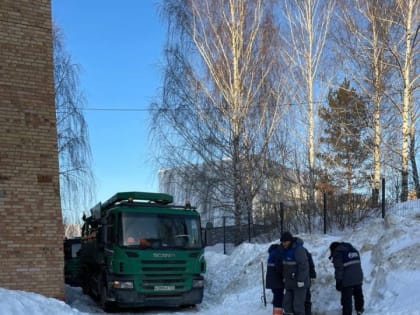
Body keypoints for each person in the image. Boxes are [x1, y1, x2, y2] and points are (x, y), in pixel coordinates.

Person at [329, 242, 365, 315]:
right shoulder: (354, 250)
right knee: (358, 293)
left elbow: (339, 269)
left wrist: (338, 281)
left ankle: (347, 313)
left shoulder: (338, 253)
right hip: (358, 276)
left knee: (346, 298)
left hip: (347, 279)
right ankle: (359, 309)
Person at [280, 231, 309, 315]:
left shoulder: (298, 249)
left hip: (299, 284)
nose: (283, 244)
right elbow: (286, 266)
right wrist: (284, 277)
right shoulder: (285, 250)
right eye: (282, 242)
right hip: (290, 283)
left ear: (290, 241)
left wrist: (301, 280)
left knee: (298, 306)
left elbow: (304, 266)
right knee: (287, 304)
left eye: (285, 242)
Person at [266, 243, 284, 315]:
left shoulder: (272, 252)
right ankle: (278, 314)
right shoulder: (278, 252)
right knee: (279, 297)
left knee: (277, 296)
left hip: (272, 279)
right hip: (277, 279)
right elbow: (279, 267)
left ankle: (276, 312)